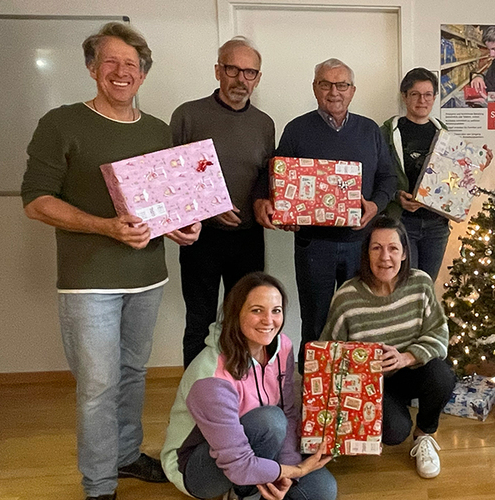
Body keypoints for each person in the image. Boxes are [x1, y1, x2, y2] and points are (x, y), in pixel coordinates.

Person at [20, 22, 201, 500]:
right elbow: (36, 200)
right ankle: (99, 484)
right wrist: (105, 226)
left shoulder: (159, 131)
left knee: (132, 374)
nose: (122, 72)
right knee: (98, 387)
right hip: (88, 282)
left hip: (147, 277)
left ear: (143, 74)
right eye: (111, 62)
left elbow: (169, 208)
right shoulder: (61, 123)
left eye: (132, 64)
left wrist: (184, 226)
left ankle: (124, 455)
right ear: (92, 68)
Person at [253, 58, 397, 371]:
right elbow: (276, 178)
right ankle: (313, 399)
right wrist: (276, 206)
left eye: (341, 85)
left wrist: (375, 205)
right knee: (316, 322)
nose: (334, 92)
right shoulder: (297, 129)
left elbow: (388, 179)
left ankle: (357, 392)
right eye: (326, 84)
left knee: (359, 320)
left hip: (362, 244)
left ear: (353, 91)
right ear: (315, 88)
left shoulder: (370, 130)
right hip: (313, 246)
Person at [161, 272, 337, 500]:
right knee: (270, 420)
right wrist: (297, 470)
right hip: (198, 465)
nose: (268, 320)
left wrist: (288, 469)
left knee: (323, 491)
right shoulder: (210, 375)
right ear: (236, 313)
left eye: (276, 310)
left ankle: (259, 485)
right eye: (257, 310)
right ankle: (244, 493)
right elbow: (239, 464)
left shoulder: (282, 346)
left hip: (257, 446)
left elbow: (288, 412)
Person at [320, 216, 455, 479]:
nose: (385, 257)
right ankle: (393, 419)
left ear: (404, 253)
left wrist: (406, 357)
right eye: (376, 248)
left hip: (411, 371)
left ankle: (424, 435)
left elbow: (439, 333)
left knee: (442, 375)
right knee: (395, 432)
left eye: (393, 248)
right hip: (372, 384)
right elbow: (329, 352)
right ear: (366, 253)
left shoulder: (421, 284)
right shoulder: (347, 296)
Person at [171, 37, 276, 368]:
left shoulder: (264, 124)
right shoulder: (188, 115)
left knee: (248, 319)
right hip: (200, 236)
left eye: (249, 72)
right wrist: (207, 206)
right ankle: (194, 397)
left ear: (257, 78)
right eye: (232, 69)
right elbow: (168, 177)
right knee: (200, 319)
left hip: (248, 237)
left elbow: (264, 176)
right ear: (218, 71)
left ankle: (241, 387)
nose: (240, 79)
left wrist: (262, 201)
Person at [381, 68, 492, 281]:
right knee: (404, 286)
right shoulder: (387, 133)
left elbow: (454, 178)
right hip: (403, 222)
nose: (422, 100)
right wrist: (397, 196)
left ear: (434, 97)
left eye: (428, 94)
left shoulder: (443, 133)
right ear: (404, 96)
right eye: (415, 94)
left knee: (426, 285)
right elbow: (377, 175)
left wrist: (477, 165)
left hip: (436, 226)